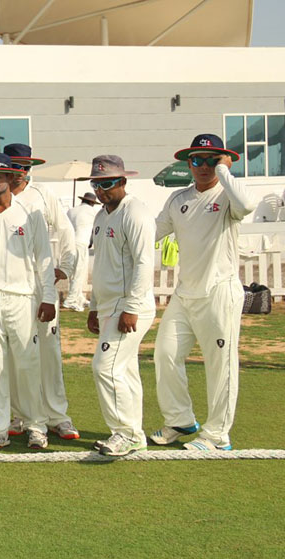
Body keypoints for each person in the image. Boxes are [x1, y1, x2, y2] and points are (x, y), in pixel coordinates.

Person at [151, 134, 255, 451]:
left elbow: (247, 206)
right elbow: (151, 233)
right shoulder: (178, 199)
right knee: (165, 354)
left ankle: (217, 434)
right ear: (188, 163)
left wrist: (225, 171)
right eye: (197, 160)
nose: (203, 167)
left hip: (219, 292)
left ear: (221, 162)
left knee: (219, 364)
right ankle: (180, 420)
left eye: (211, 160)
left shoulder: (228, 197)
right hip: (185, 294)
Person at [0, 153, 57, 451]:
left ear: (9, 178)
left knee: (28, 365)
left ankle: (36, 426)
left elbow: (44, 258)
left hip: (22, 298)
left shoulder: (30, 214)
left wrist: (49, 297)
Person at [78, 156, 155, 457]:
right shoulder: (101, 215)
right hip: (109, 304)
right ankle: (134, 433)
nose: (101, 190)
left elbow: (144, 263)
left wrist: (131, 308)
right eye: (96, 183)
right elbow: (102, 265)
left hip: (129, 305)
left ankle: (125, 433)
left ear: (123, 181)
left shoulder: (136, 213)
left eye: (107, 183)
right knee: (125, 371)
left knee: (105, 368)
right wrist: (95, 306)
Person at [3, 143, 80, 443]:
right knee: (16, 351)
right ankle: (20, 413)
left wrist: (67, 267)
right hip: (11, 287)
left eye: (25, 167)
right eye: (15, 166)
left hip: (42, 285)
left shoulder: (42, 195)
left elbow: (67, 231)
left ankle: (57, 416)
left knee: (48, 350)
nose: (20, 173)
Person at [63, 191, 100, 312]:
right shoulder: (93, 212)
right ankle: (71, 300)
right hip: (81, 242)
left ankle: (79, 297)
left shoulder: (71, 210)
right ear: (92, 202)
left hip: (69, 243)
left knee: (73, 271)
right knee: (79, 272)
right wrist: (92, 242)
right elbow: (96, 229)